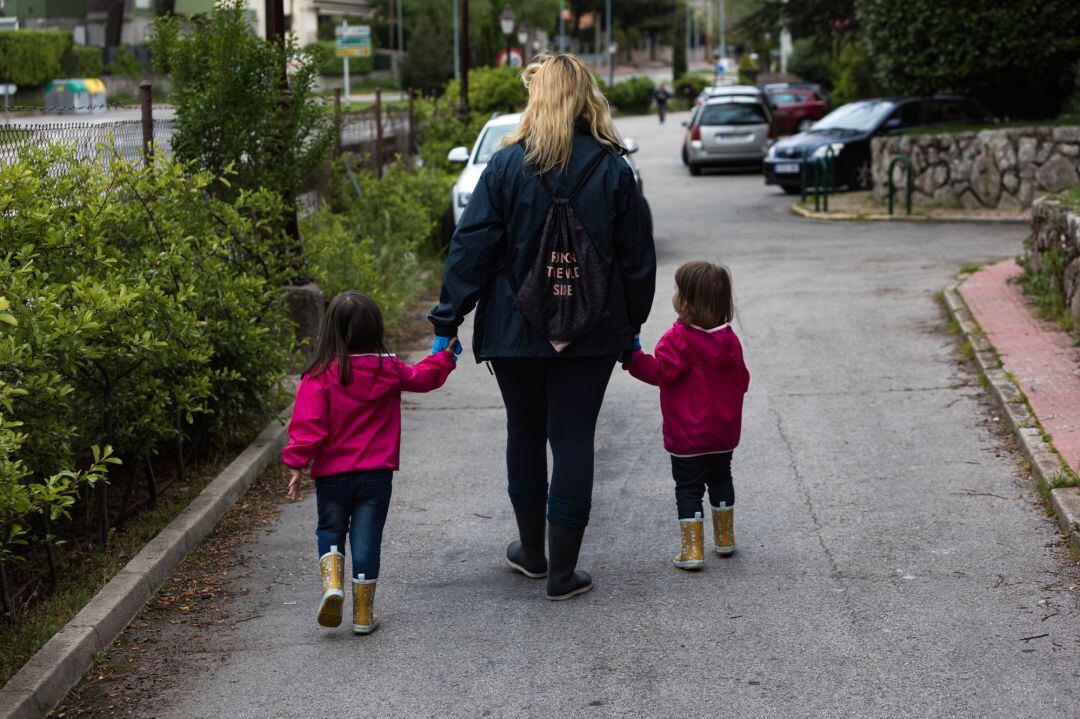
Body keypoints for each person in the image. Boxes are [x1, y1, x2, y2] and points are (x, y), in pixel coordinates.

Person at [429, 53, 656, 601]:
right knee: (574, 437)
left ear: (537, 97)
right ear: (585, 98)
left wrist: (447, 321)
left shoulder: (505, 168)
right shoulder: (614, 168)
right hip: (594, 327)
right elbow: (636, 261)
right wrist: (631, 327)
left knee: (525, 433)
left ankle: (532, 552)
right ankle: (564, 572)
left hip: (514, 329)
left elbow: (472, 245)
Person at [282, 291, 459, 634]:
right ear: (376, 328)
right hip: (376, 477)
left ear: (330, 329)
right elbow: (423, 378)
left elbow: (309, 425)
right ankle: (363, 615)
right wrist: (444, 358)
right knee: (366, 539)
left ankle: (332, 586)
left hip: (332, 476)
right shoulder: (387, 367)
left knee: (331, 529)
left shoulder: (319, 374)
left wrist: (296, 463)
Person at [622, 261, 749, 570]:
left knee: (688, 487)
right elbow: (742, 379)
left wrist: (633, 356)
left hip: (687, 436)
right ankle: (725, 538)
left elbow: (660, 372)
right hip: (723, 434)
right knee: (721, 478)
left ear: (686, 301)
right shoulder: (730, 341)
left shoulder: (678, 339)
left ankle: (692, 551)